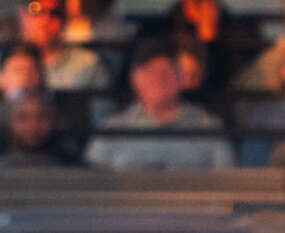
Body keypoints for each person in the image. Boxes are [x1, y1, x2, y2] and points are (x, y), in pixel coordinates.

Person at [86, 35, 233, 170]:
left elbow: (226, 185)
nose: (159, 79)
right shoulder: (111, 131)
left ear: (180, 76)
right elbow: (93, 188)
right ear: (134, 79)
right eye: (149, 71)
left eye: (167, 70)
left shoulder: (209, 127)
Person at [0, 87, 76, 167]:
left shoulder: (71, 167)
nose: (33, 126)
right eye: (23, 117)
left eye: (42, 117)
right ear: (10, 120)